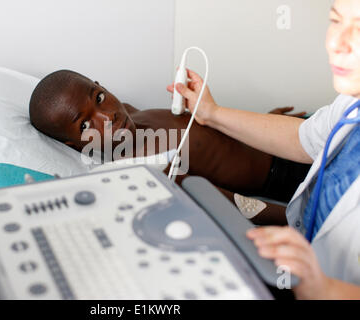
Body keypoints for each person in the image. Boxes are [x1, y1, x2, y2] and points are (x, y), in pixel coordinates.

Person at [167, 0, 360, 299]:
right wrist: (211, 113)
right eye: (335, 20)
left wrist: (326, 288)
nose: (336, 42)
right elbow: (304, 138)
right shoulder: (352, 102)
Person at [29, 69, 310, 215]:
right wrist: (293, 219)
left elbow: (210, 135)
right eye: (86, 125)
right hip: (284, 177)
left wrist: (263, 123)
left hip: (270, 139)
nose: (108, 116)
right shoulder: (150, 167)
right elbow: (229, 203)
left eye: (99, 97)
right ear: (77, 145)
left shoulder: (129, 111)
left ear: (100, 85)